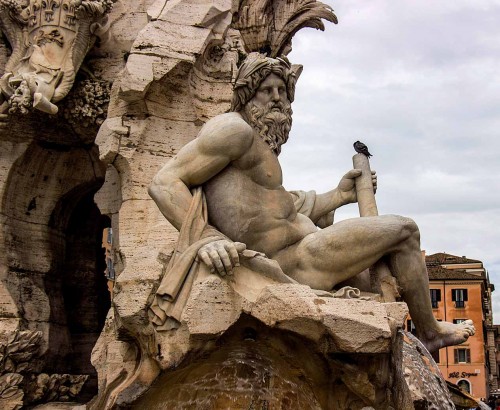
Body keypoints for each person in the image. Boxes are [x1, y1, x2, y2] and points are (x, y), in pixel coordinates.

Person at [149, 53, 474, 352]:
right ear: (248, 95)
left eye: (283, 91)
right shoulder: (233, 131)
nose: (278, 98)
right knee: (405, 230)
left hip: (307, 250)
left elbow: (285, 210)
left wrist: (340, 195)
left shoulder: (261, 148)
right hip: (295, 262)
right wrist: (206, 238)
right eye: (267, 90)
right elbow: (165, 183)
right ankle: (430, 332)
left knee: (374, 286)